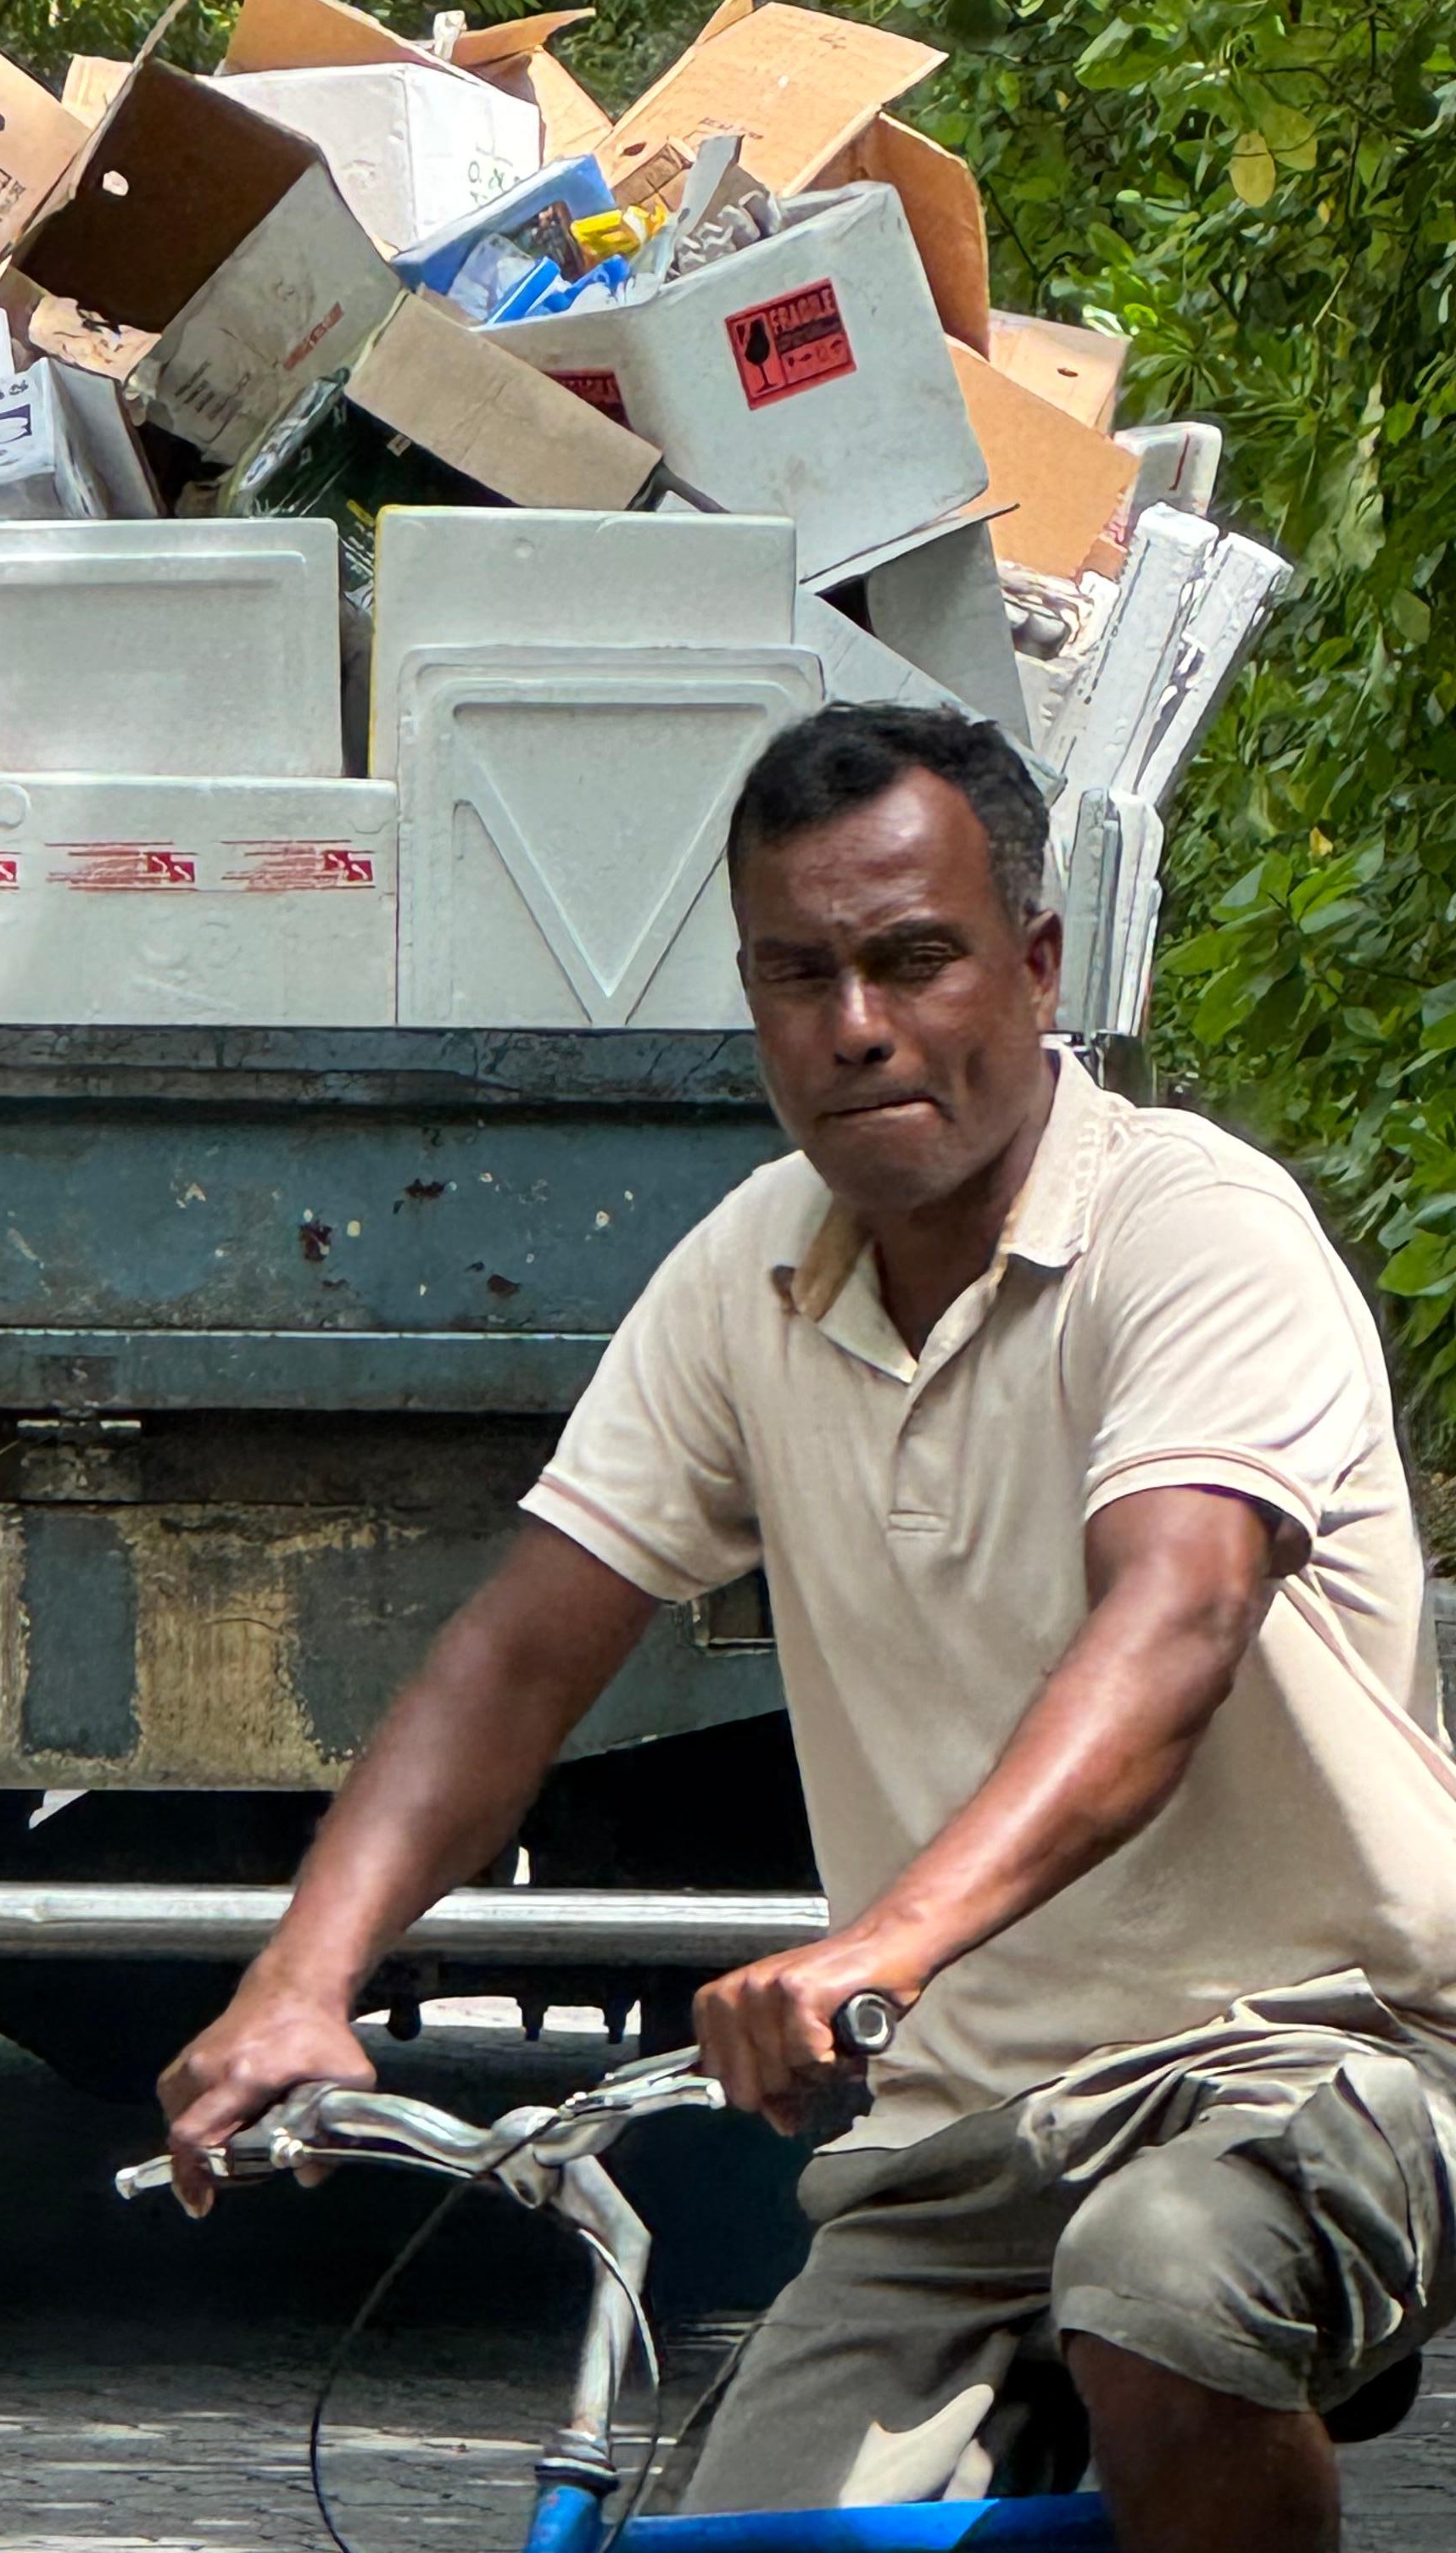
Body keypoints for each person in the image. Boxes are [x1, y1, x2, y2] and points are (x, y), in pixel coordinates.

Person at [159, 703, 1456, 2553]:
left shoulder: (1195, 1232)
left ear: (1033, 963)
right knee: (746, 2533)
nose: (856, 1025)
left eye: (914, 960)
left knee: (1164, 2292)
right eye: (800, 974)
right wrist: (302, 1980)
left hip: (1326, 2056)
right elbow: (521, 1651)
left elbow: (1172, 1623)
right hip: (963, 2136)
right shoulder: (747, 1274)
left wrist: (883, 1948)